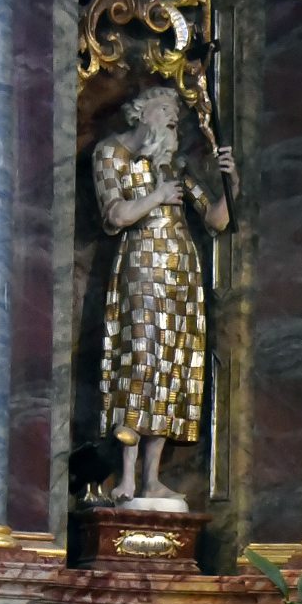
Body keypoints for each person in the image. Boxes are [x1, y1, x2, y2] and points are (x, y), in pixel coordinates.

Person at [92, 82, 235, 504]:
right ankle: (127, 478)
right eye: (164, 109)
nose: (173, 118)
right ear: (140, 113)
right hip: (140, 269)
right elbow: (116, 213)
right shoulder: (110, 153)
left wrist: (230, 183)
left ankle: (153, 478)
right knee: (140, 360)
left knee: (171, 368)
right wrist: (156, 197)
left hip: (180, 276)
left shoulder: (172, 165)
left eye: (176, 114)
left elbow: (216, 220)